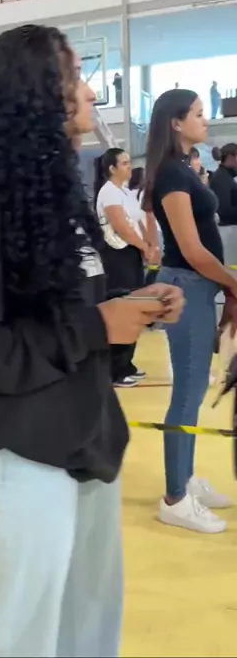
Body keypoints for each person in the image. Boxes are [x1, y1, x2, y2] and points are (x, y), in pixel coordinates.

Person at [0, 24, 183, 658]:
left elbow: (63, 316)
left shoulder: (60, 200)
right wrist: (96, 327)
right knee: (22, 642)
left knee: (88, 634)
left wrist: (133, 305)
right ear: (39, 92)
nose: (92, 92)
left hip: (86, 447)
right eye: (75, 77)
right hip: (25, 458)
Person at [143, 88, 237, 534]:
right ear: (176, 122)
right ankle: (175, 497)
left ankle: (187, 475)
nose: (205, 119)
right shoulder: (170, 174)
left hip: (200, 286)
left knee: (195, 389)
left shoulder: (184, 167)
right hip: (187, 285)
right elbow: (192, 250)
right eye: (198, 113)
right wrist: (233, 283)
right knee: (187, 390)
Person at [95, 149, 152, 387]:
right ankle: (115, 369)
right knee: (123, 306)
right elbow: (121, 227)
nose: (130, 167)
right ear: (112, 168)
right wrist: (142, 245)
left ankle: (127, 362)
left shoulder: (126, 192)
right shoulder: (108, 192)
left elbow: (137, 222)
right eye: (125, 163)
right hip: (117, 255)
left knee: (136, 304)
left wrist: (147, 245)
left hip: (131, 253)